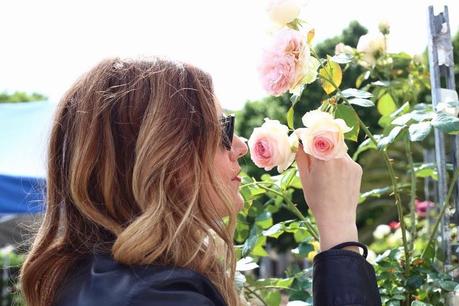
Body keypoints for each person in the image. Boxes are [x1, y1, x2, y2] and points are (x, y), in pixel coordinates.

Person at [20, 58, 381, 306]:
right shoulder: (158, 298)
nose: (241, 146)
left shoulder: (105, 282)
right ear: (162, 154)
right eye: (223, 129)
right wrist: (339, 235)